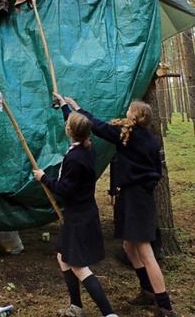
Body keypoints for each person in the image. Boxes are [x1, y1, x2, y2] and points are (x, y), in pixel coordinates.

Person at [61, 96, 176, 317]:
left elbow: (94, 125)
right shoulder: (151, 140)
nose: (126, 112)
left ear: (135, 116)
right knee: (128, 247)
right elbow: (156, 171)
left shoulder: (127, 135)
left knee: (146, 252)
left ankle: (166, 307)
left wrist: (74, 108)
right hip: (136, 197)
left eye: (129, 110)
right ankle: (147, 291)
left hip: (137, 199)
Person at [33, 93, 118, 317]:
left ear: (70, 132)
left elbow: (64, 189)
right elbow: (73, 123)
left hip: (79, 217)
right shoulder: (87, 147)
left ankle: (109, 314)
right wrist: (64, 106)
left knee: (79, 267)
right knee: (63, 256)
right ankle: (76, 307)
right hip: (82, 212)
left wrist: (43, 177)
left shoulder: (75, 157)